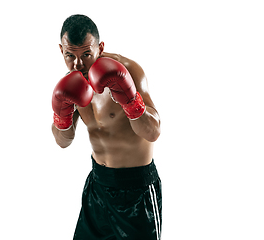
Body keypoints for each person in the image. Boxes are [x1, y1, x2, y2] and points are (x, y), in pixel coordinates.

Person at [51, 14, 162, 240]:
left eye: (86, 55)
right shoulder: (70, 84)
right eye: (70, 55)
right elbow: (63, 141)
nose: (78, 64)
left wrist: (130, 100)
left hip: (136, 191)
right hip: (98, 186)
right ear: (61, 50)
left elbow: (153, 132)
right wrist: (60, 116)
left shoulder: (127, 71)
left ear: (100, 47)